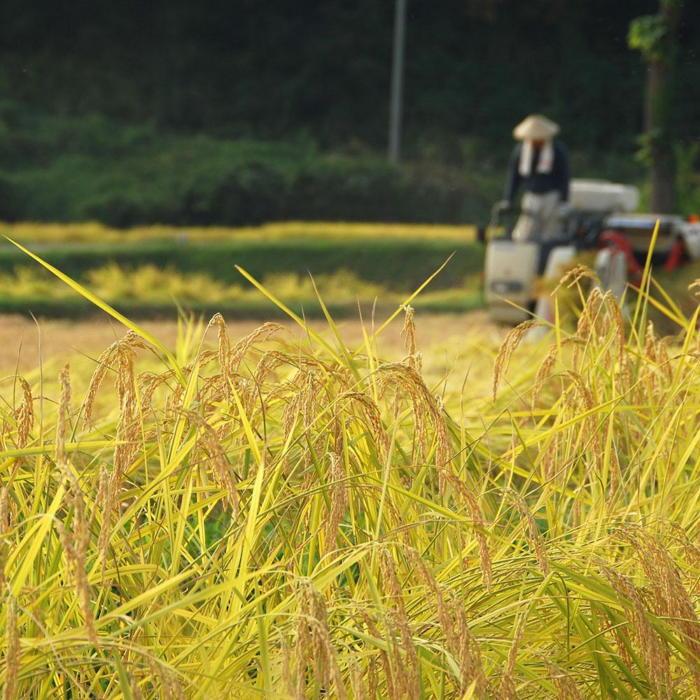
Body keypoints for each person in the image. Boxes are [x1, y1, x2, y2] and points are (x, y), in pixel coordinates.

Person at [499, 114, 570, 242]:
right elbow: (514, 177)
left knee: (551, 233)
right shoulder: (521, 151)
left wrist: (564, 200)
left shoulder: (557, 150)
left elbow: (564, 177)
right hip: (531, 196)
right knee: (524, 233)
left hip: (551, 196)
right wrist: (508, 198)